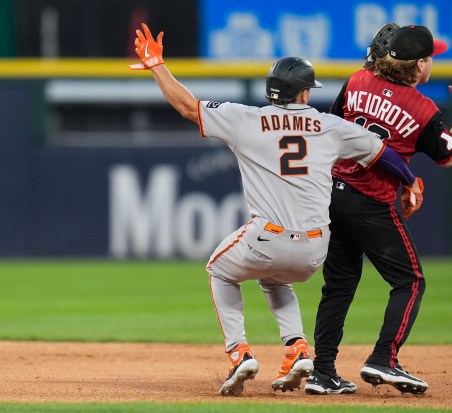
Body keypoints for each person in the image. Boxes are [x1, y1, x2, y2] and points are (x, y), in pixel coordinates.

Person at [130, 23, 419, 397]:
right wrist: (411, 181)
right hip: (315, 251)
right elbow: (384, 153)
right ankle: (297, 348)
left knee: (219, 270)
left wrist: (156, 65)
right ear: (303, 92)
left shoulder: (245, 120)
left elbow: (187, 106)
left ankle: (239, 353)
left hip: (267, 240)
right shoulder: (329, 126)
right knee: (274, 277)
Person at [305, 24, 452, 395]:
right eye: (430, 59)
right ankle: (384, 358)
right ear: (418, 66)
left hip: (332, 193)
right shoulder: (423, 108)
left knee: (338, 286)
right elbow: (447, 157)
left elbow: (334, 126)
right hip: (370, 201)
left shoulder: (356, 81)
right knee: (410, 281)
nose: (432, 64)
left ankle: (322, 373)